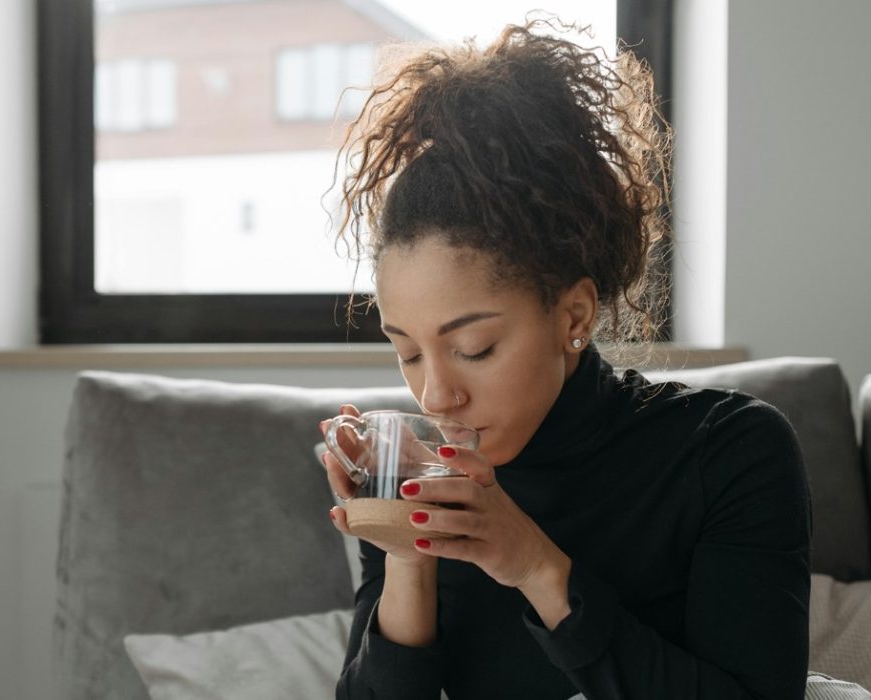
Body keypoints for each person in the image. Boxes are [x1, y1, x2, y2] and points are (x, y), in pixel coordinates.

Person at [320, 20, 812, 700]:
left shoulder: (729, 453)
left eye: (474, 349)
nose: (434, 396)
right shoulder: (421, 488)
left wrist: (533, 565)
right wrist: (408, 557)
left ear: (573, 316)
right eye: (407, 351)